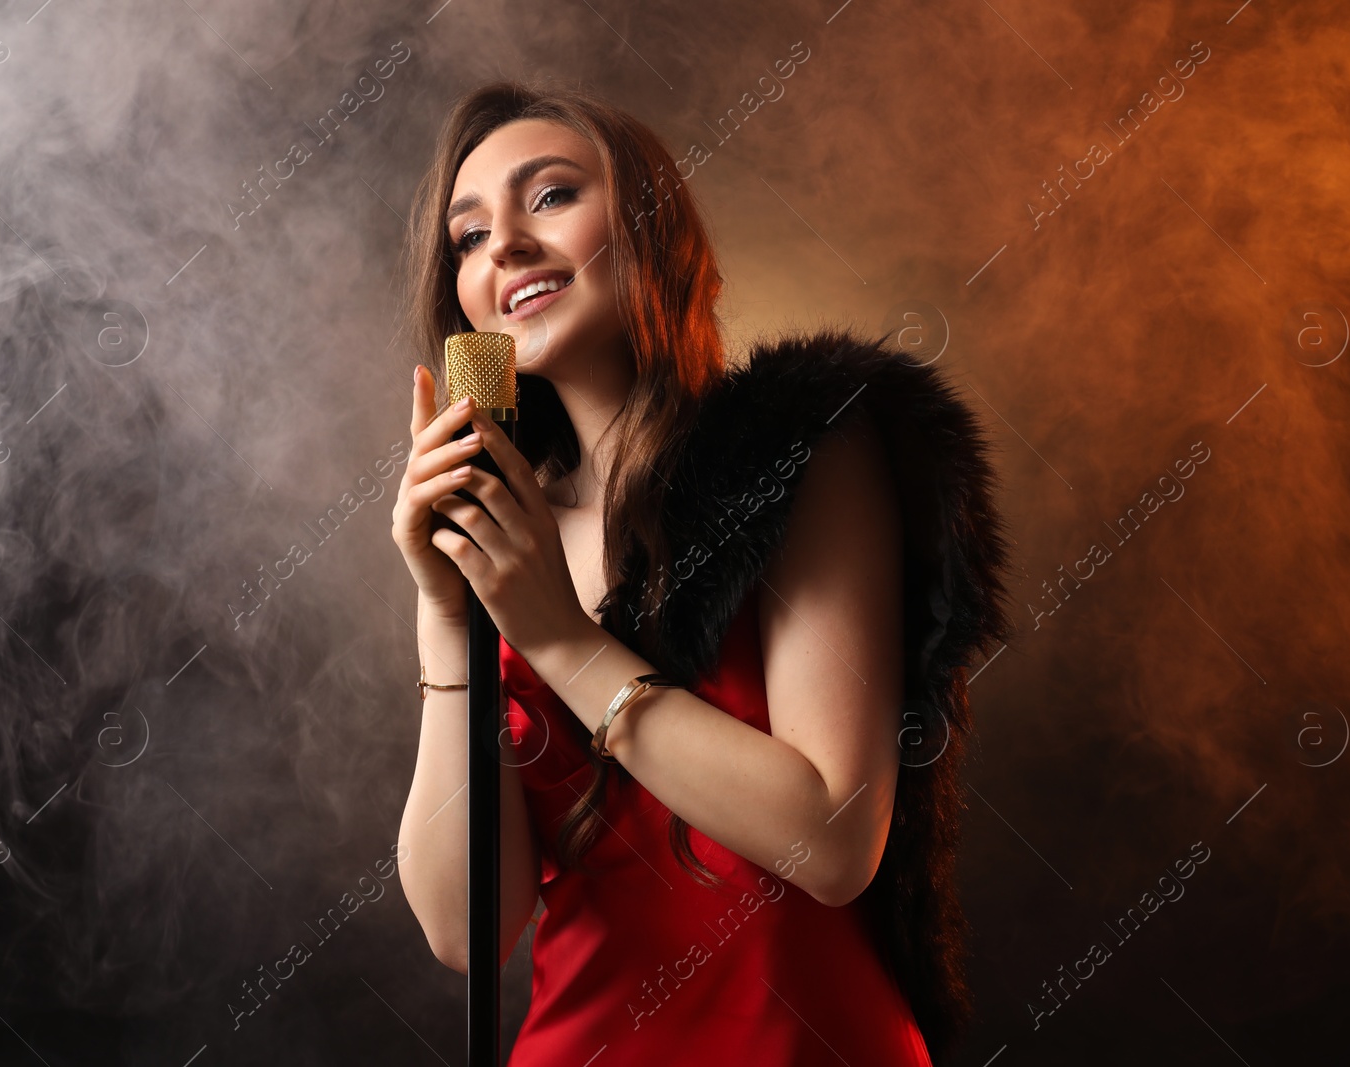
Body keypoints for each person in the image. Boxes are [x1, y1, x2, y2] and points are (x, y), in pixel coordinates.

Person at [390, 80, 1010, 1065]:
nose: (500, 243)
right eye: (467, 237)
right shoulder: (506, 543)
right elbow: (467, 930)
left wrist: (556, 636)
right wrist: (447, 611)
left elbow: (833, 839)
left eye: (548, 196)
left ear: (653, 229)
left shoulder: (803, 451)